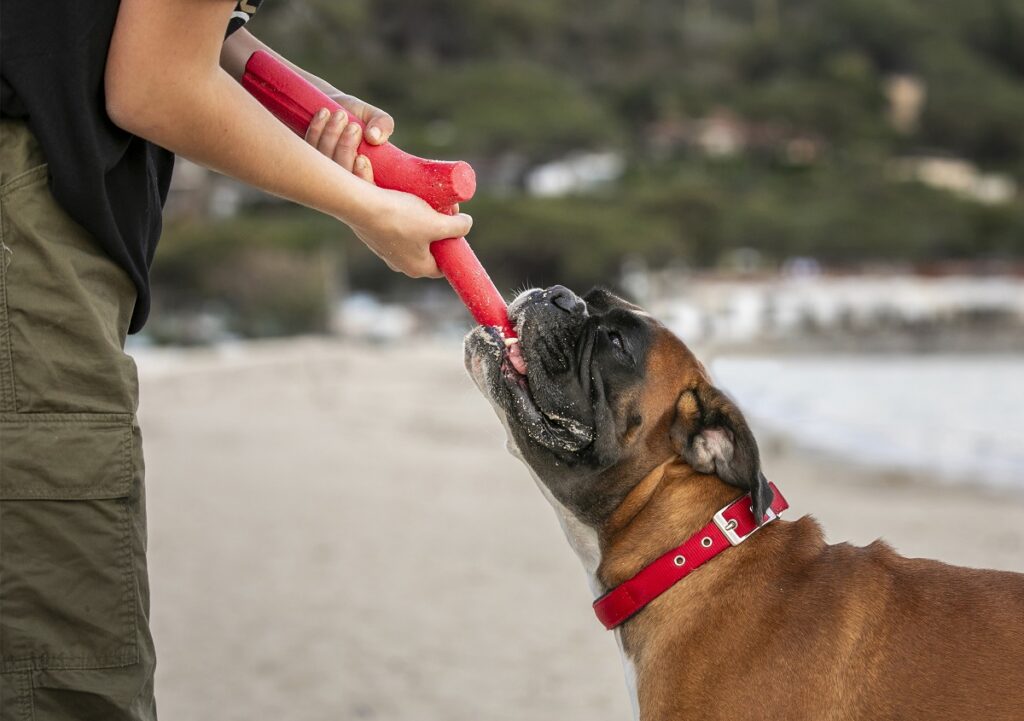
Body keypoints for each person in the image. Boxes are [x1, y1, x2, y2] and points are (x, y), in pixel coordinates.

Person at [0, 2, 472, 718]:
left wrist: (310, 102)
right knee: (68, 678)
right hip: (23, 228)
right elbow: (155, 86)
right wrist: (364, 209)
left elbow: (154, 31)